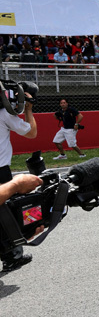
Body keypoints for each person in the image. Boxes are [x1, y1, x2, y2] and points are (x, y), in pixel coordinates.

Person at [0, 92, 38, 272]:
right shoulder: (4, 114)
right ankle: (12, 256)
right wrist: (28, 110)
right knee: (8, 215)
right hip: (1, 171)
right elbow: (31, 133)